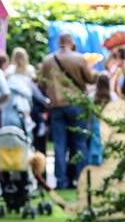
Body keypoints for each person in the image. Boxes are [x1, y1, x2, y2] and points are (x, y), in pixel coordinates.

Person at [38, 33, 97, 189]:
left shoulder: (47, 61)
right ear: (72, 43)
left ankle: (61, 181)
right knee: (79, 142)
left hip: (56, 106)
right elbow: (91, 79)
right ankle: (81, 180)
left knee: (59, 144)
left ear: (59, 43)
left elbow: (42, 84)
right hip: (76, 104)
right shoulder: (79, 58)